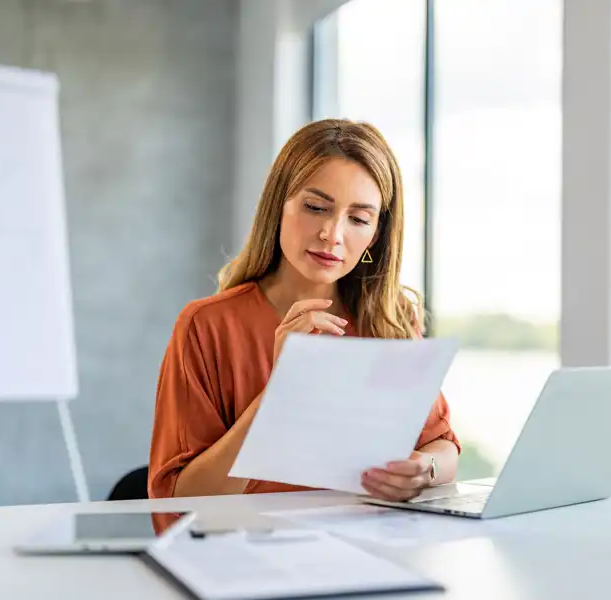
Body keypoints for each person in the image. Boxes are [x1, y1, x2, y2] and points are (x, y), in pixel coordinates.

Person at [148, 118, 460, 503]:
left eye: (359, 219)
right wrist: (281, 391)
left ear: (375, 235)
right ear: (279, 204)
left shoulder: (391, 318)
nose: (332, 234)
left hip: (365, 546)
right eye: (315, 207)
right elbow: (179, 500)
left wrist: (423, 471)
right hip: (246, 554)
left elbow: (442, 447)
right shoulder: (207, 325)